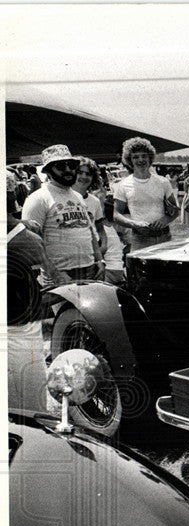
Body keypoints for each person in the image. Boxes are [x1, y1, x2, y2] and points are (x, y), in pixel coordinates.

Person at [20, 144, 105, 285]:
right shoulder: (38, 199)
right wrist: (54, 273)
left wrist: (99, 260)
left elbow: (89, 231)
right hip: (60, 273)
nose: (68, 170)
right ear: (48, 171)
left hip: (90, 269)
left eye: (71, 165)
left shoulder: (78, 196)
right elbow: (31, 243)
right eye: (60, 166)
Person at [7, 170, 51, 412]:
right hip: (21, 330)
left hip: (19, 327)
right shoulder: (30, 240)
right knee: (30, 409)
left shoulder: (27, 240)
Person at [113, 137, 179, 253]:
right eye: (136, 157)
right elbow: (116, 214)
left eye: (144, 156)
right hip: (140, 239)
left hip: (164, 237)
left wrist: (165, 219)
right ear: (130, 160)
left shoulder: (163, 182)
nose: (141, 160)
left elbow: (175, 210)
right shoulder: (123, 185)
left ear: (150, 157)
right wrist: (134, 224)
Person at [71, 156, 108, 256]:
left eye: (88, 174)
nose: (84, 176)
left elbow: (100, 229)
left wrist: (103, 246)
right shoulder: (63, 198)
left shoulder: (95, 201)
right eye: (79, 172)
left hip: (93, 253)